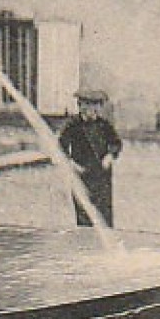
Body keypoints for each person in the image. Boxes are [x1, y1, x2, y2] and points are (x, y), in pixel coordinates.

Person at [58, 89, 122, 227]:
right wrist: (71, 163)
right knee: (84, 212)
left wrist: (109, 156)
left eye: (97, 106)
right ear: (80, 106)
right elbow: (60, 147)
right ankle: (85, 242)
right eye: (88, 105)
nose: (93, 110)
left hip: (102, 176)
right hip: (81, 173)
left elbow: (116, 143)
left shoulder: (104, 125)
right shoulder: (73, 125)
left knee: (104, 213)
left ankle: (105, 244)